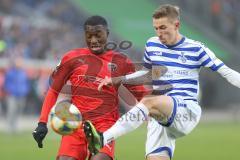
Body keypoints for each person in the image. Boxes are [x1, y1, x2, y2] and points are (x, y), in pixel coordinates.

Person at [83, 4, 240, 160]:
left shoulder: (196, 49)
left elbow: (226, 72)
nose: (159, 33)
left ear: (176, 25)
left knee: (149, 101)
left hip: (185, 110)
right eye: (156, 28)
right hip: (159, 114)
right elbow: (146, 74)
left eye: (163, 27)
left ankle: (103, 138)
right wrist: (117, 80)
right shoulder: (152, 44)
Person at [32, 15, 147, 160]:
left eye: (98, 35)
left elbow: (142, 95)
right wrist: (42, 123)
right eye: (89, 35)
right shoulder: (71, 58)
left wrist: (162, 110)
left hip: (106, 128)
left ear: (107, 34)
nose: (93, 40)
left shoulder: (121, 61)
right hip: (75, 127)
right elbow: (53, 90)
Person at [4, 58, 30, 133]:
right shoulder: (10, 73)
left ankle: (16, 125)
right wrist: (10, 90)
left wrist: (25, 90)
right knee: (11, 110)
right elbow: (6, 83)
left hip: (22, 95)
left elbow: (26, 83)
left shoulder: (23, 73)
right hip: (12, 95)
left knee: (19, 110)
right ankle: (9, 127)